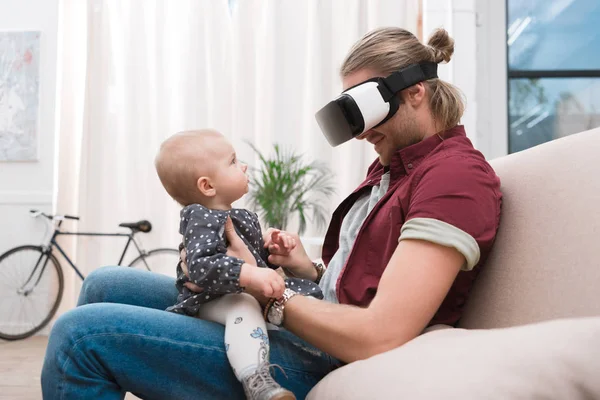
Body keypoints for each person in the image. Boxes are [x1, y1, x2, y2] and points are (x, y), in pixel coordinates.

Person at [41, 27, 502, 400]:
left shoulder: (453, 179)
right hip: (322, 315)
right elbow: (370, 279)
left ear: (416, 92)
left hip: (326, 354)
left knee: (79, 338)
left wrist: (266, 292)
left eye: (365, 110)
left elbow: (380, 332)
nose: (360, 134)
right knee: (104, 282)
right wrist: (307, 268)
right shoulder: (393, 167)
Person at [153, 129, 323, 400]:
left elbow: (250, 259)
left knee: (270, 297)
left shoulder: (236, 215)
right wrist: (249, 273)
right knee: (243, 303)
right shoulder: (200, 216)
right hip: (211, 299)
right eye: (232, 162)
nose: (243, 166)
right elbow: (200, 266)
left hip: (233, 291)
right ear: (207, 186)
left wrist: (272, 251)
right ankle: (256, 381)